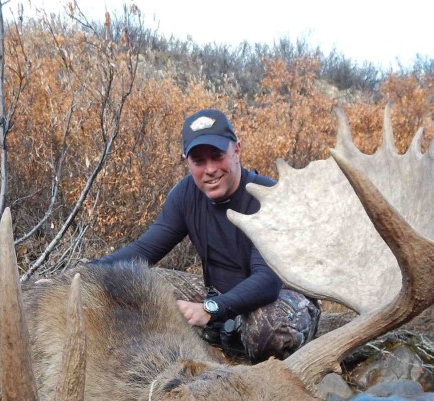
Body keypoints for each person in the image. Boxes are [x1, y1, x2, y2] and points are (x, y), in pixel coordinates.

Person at [95, 108, 320, 361]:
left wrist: (209, 310)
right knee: (133, 283)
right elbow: (143, 252)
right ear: (187, 161)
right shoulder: (185, 195)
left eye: (218, 156)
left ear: (236, 151)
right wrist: (81, 273)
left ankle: (288, 345)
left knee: (268, 333)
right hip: (219, 297)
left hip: (278, 296)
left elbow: (267, 281)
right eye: (199, 161)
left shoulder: (268, 197)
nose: (210, 169)